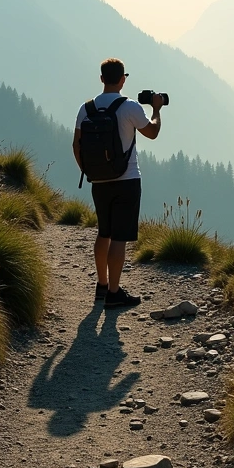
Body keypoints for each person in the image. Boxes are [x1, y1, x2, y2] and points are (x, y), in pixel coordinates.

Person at [72, 58, 163, 307]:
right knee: (119, 237)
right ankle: (114, 293)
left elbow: (76, 145)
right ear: (123, 79)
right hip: (127, 179)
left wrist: (89, 171)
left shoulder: (86, 109)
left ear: (102, 79)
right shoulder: (130, 107)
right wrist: (156, 109)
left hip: (98, 180)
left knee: (104, 232)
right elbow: (152, 132)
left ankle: (102, 285)